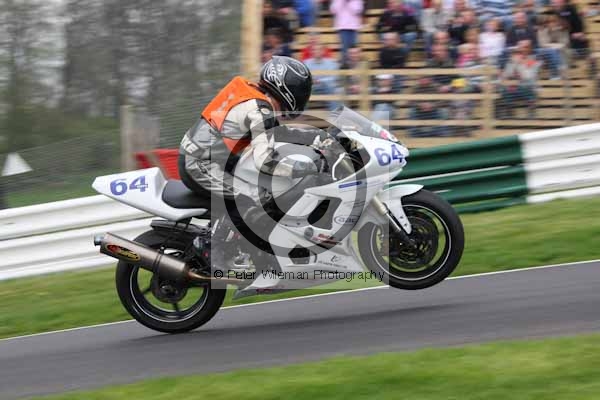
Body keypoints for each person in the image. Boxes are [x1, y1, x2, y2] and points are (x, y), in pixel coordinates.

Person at [178, 56, 321, 270]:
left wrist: (316, 137)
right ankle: (211, 249)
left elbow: (275, 132)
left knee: (262, 192)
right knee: (245, 201)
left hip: (210, 158)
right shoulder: (260, 108)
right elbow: (266, 162)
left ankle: (246, 249)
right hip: (199, 164)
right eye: (302, 91)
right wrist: (304, 168)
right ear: (288, 89)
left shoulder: (255, 98)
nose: (304, 97)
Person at [304, 43, 341, 110]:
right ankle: (301, 113)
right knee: (302, 90)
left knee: (332, 88)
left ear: (323, 51)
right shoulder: (306, 63)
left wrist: (320, 81)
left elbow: (334, 77)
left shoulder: (330, 62)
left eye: (319, 49)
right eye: (314, 50)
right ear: (311, 52)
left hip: (327, 87)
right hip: (312, 87)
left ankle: (334, 113)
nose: (316, 51)